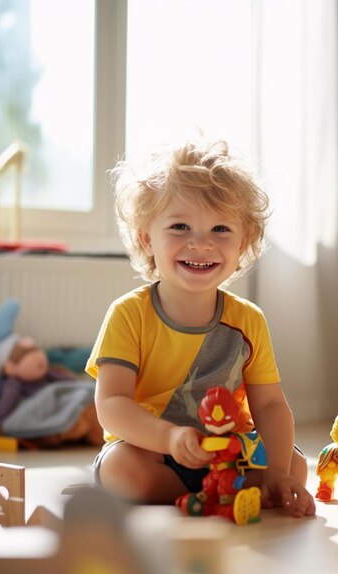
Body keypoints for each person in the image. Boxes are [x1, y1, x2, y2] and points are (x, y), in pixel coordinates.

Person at [86, 135, 316, 518]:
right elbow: (111, 404)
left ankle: (227, 490)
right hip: (154, 453)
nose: (201, 244)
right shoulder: (128, 314)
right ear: (147, 238)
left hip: (228, 452)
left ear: (244, 243)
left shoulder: (248, 320)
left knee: (295, 465)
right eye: (179, 226)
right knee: (120, 470)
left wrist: (275, 471)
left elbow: (271, 404)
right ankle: (198, 497)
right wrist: (170, 437)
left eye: (220, 230)